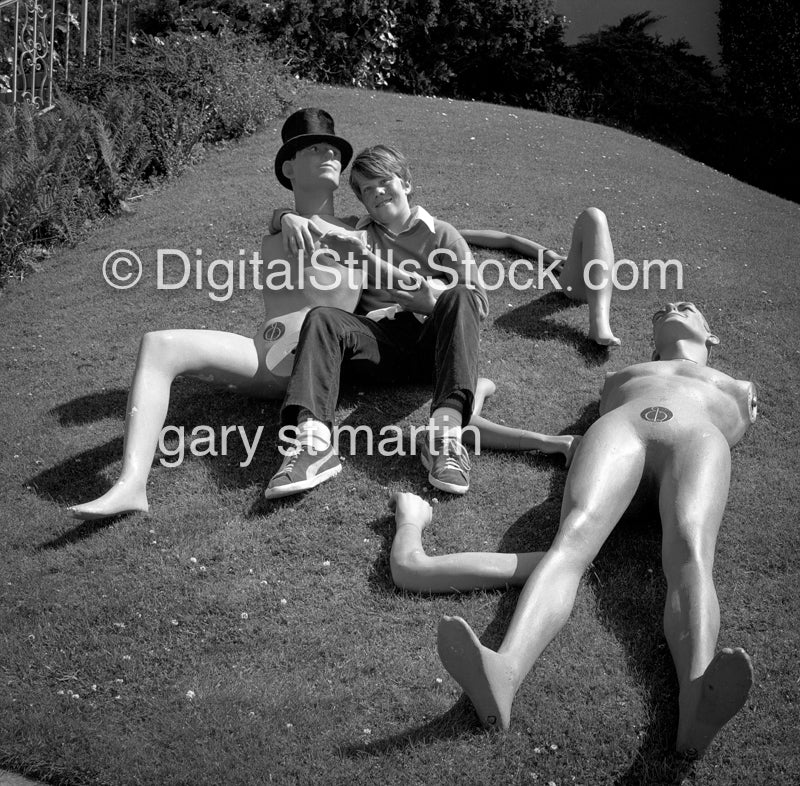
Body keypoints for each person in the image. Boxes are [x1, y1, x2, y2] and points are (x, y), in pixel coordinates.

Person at [389, 302, 756, 759]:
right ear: (652, 338)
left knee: (690, 547)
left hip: (697, 438)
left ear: (711, 334)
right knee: (570, 543)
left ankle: (698, 694)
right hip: (621, 432)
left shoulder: (740, 389)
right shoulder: (624, 376)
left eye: (686, 307)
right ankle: (503, 670)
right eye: (660, 309)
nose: (671, 307)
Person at [68, 108, 368, 520]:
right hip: (262, 356)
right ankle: (131, 484)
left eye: (333, 147)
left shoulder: (360, 231)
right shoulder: (278, 232)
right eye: (313, 148)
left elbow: (411, 239)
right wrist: (287, 216)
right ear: (288, 166)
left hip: (314, 362)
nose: (328, 153)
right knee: (160, 344)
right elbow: (276, 219)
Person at [264, 145, 491, 499]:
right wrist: (284, 217)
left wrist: (430, 302)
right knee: (322, 318)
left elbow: (477, 304)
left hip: (433, 346)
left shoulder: (443, 235)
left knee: (459, 294)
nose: (376, 193)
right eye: (366, 190)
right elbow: (301, 220)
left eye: (384, 182)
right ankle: (313, 444)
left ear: (407, 183)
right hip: (378, 342)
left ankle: (444, 439)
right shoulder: (358, 233)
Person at [460, 210, 620, 347]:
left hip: (584, 280)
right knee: (592, 216)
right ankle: (599, 324)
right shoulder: (441, 237)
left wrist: (550, 256)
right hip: (576, 286)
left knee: (594, 216)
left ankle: (600, 323)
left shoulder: (442, 232)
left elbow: (508, 239)